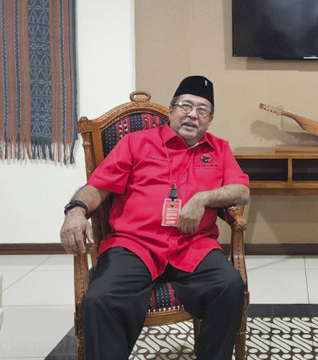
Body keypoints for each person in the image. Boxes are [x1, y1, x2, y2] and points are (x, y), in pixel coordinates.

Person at [59, 75, 250, 360]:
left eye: (202, 110)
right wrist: (75, 210)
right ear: (171, 110)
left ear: (209, 120)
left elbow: (241, 191)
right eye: (185, 106)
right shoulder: (136, 143)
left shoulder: (219, 148)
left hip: (194, 246)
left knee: (230, 286)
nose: (192, 115)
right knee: (100, 300)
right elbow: (98, 187)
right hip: (135, 245)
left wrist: (203, 198)